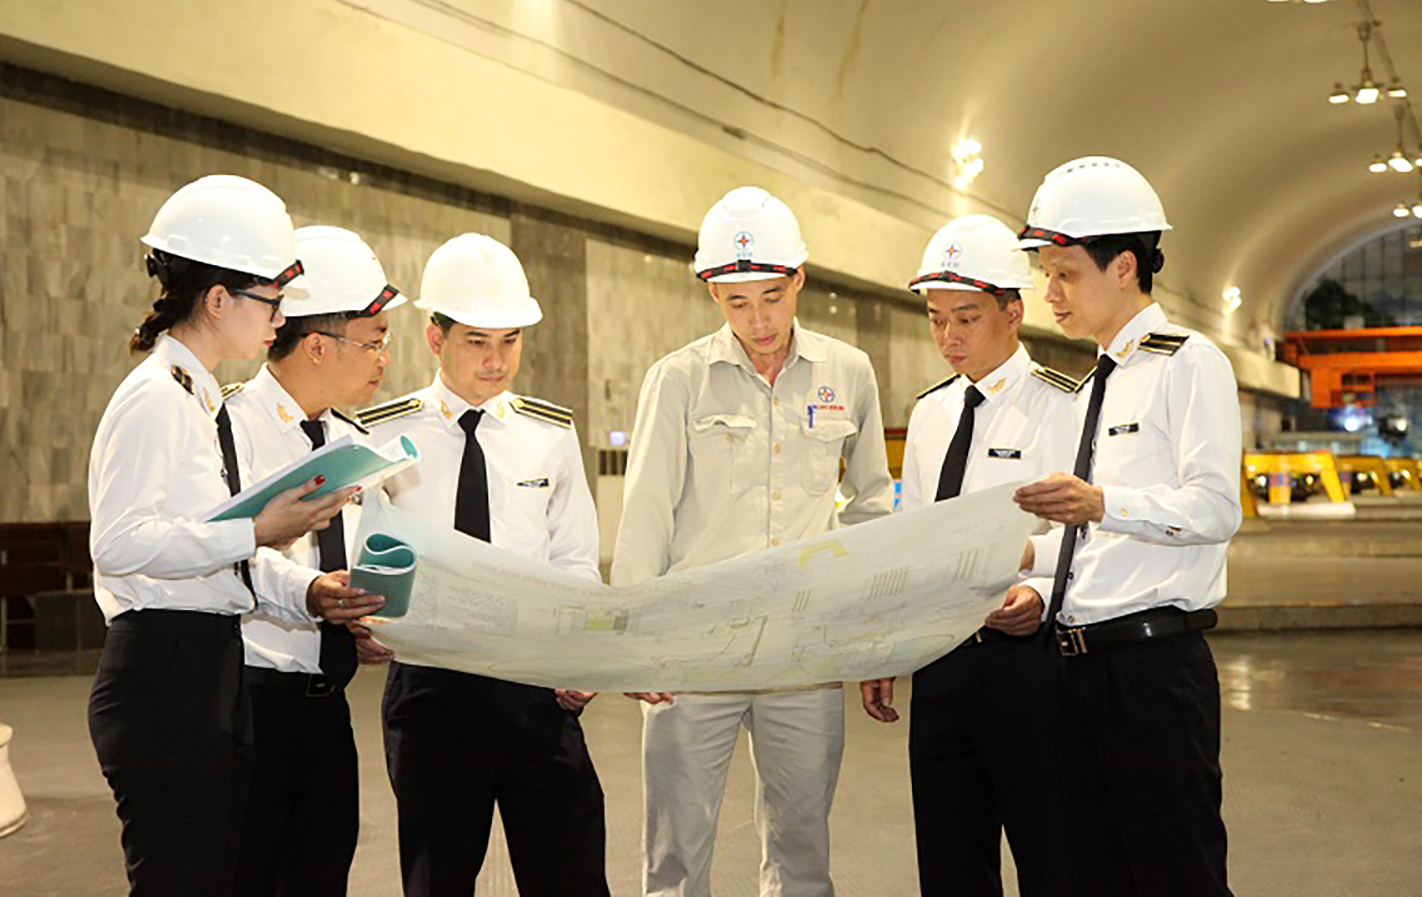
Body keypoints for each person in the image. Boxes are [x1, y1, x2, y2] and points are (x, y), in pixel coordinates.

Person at [86, 175, 377, 895]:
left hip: (201, 664)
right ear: (218, 300)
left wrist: (293, 572)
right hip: (165, 667)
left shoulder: (193, 394)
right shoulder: (158, 395)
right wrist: (255, 531)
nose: (280, 318)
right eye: (271, 301)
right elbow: (117, 542)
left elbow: (201, 541)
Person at [612, 187, 892, 897]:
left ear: (799, 280)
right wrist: (634, 639)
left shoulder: (848, 372)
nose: (759, 321)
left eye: (772, 297)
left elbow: (871, 506)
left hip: (804, 648)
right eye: (737, 303)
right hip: (694, 645)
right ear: (713, 292)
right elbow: (645, 513)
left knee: (802, 848)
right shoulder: (677, 379)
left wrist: (869, 631)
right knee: (677, 850)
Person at [1012, 156, 1241, 897]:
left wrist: (1102, 503)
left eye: (1064, 273)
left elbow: (1215, 509)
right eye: (1045, 274)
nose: (1050, 292)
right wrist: (1023, 560)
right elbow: (1091, 541)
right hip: (1075, 667)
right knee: (1093, 874)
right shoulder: (1090, 386)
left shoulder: (1189, 364)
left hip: (1152, 671)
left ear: (1123, 267)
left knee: (1177, 873)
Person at [358, 232, 609, 897]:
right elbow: (364, 553)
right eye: (476, 341)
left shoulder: (548, 433)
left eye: (510, 340)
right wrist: (368, 621)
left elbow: (575, 560)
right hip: (432, 689)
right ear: (435, 338)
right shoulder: (382, 434)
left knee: (571, 875)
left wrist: (580, 656)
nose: (497, 361)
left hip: (533, 684)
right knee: (437, 878)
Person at [857, 214, 1076, 896]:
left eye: (967, 318)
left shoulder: (1062, 408)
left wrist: (1039, 593)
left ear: (1013, 312)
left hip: (1028, 666)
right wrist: (888, 645)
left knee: (1053, 855)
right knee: (950, 862)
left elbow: (1085, 535)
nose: (948, 336)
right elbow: (912, 538)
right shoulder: (931, 413)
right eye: (936, 318)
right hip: (942, 664)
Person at [225, 226, 403, 896]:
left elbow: (359, 556)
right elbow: (226, 546)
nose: (385, 357)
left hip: (327, 706)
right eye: (374, 340)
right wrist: (310, 592)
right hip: (249, 703)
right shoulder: (230, 427)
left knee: (322, 875)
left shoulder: (354, 443)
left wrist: (366, 616)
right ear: (320, 344)